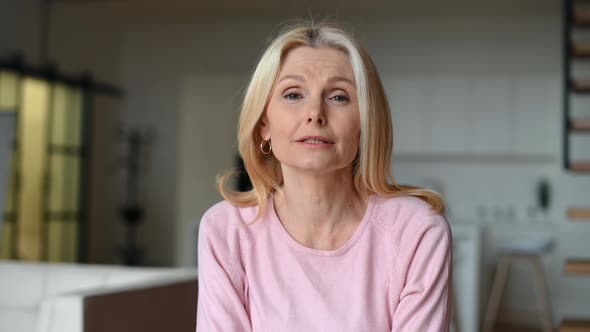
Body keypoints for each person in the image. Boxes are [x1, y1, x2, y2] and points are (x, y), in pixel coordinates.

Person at [196, 20, 452, 332]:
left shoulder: (417, 232)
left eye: (339, 96)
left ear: (365, 125)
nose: (315, 113)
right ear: (263, 123)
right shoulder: (225, 231)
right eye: (293, 94)